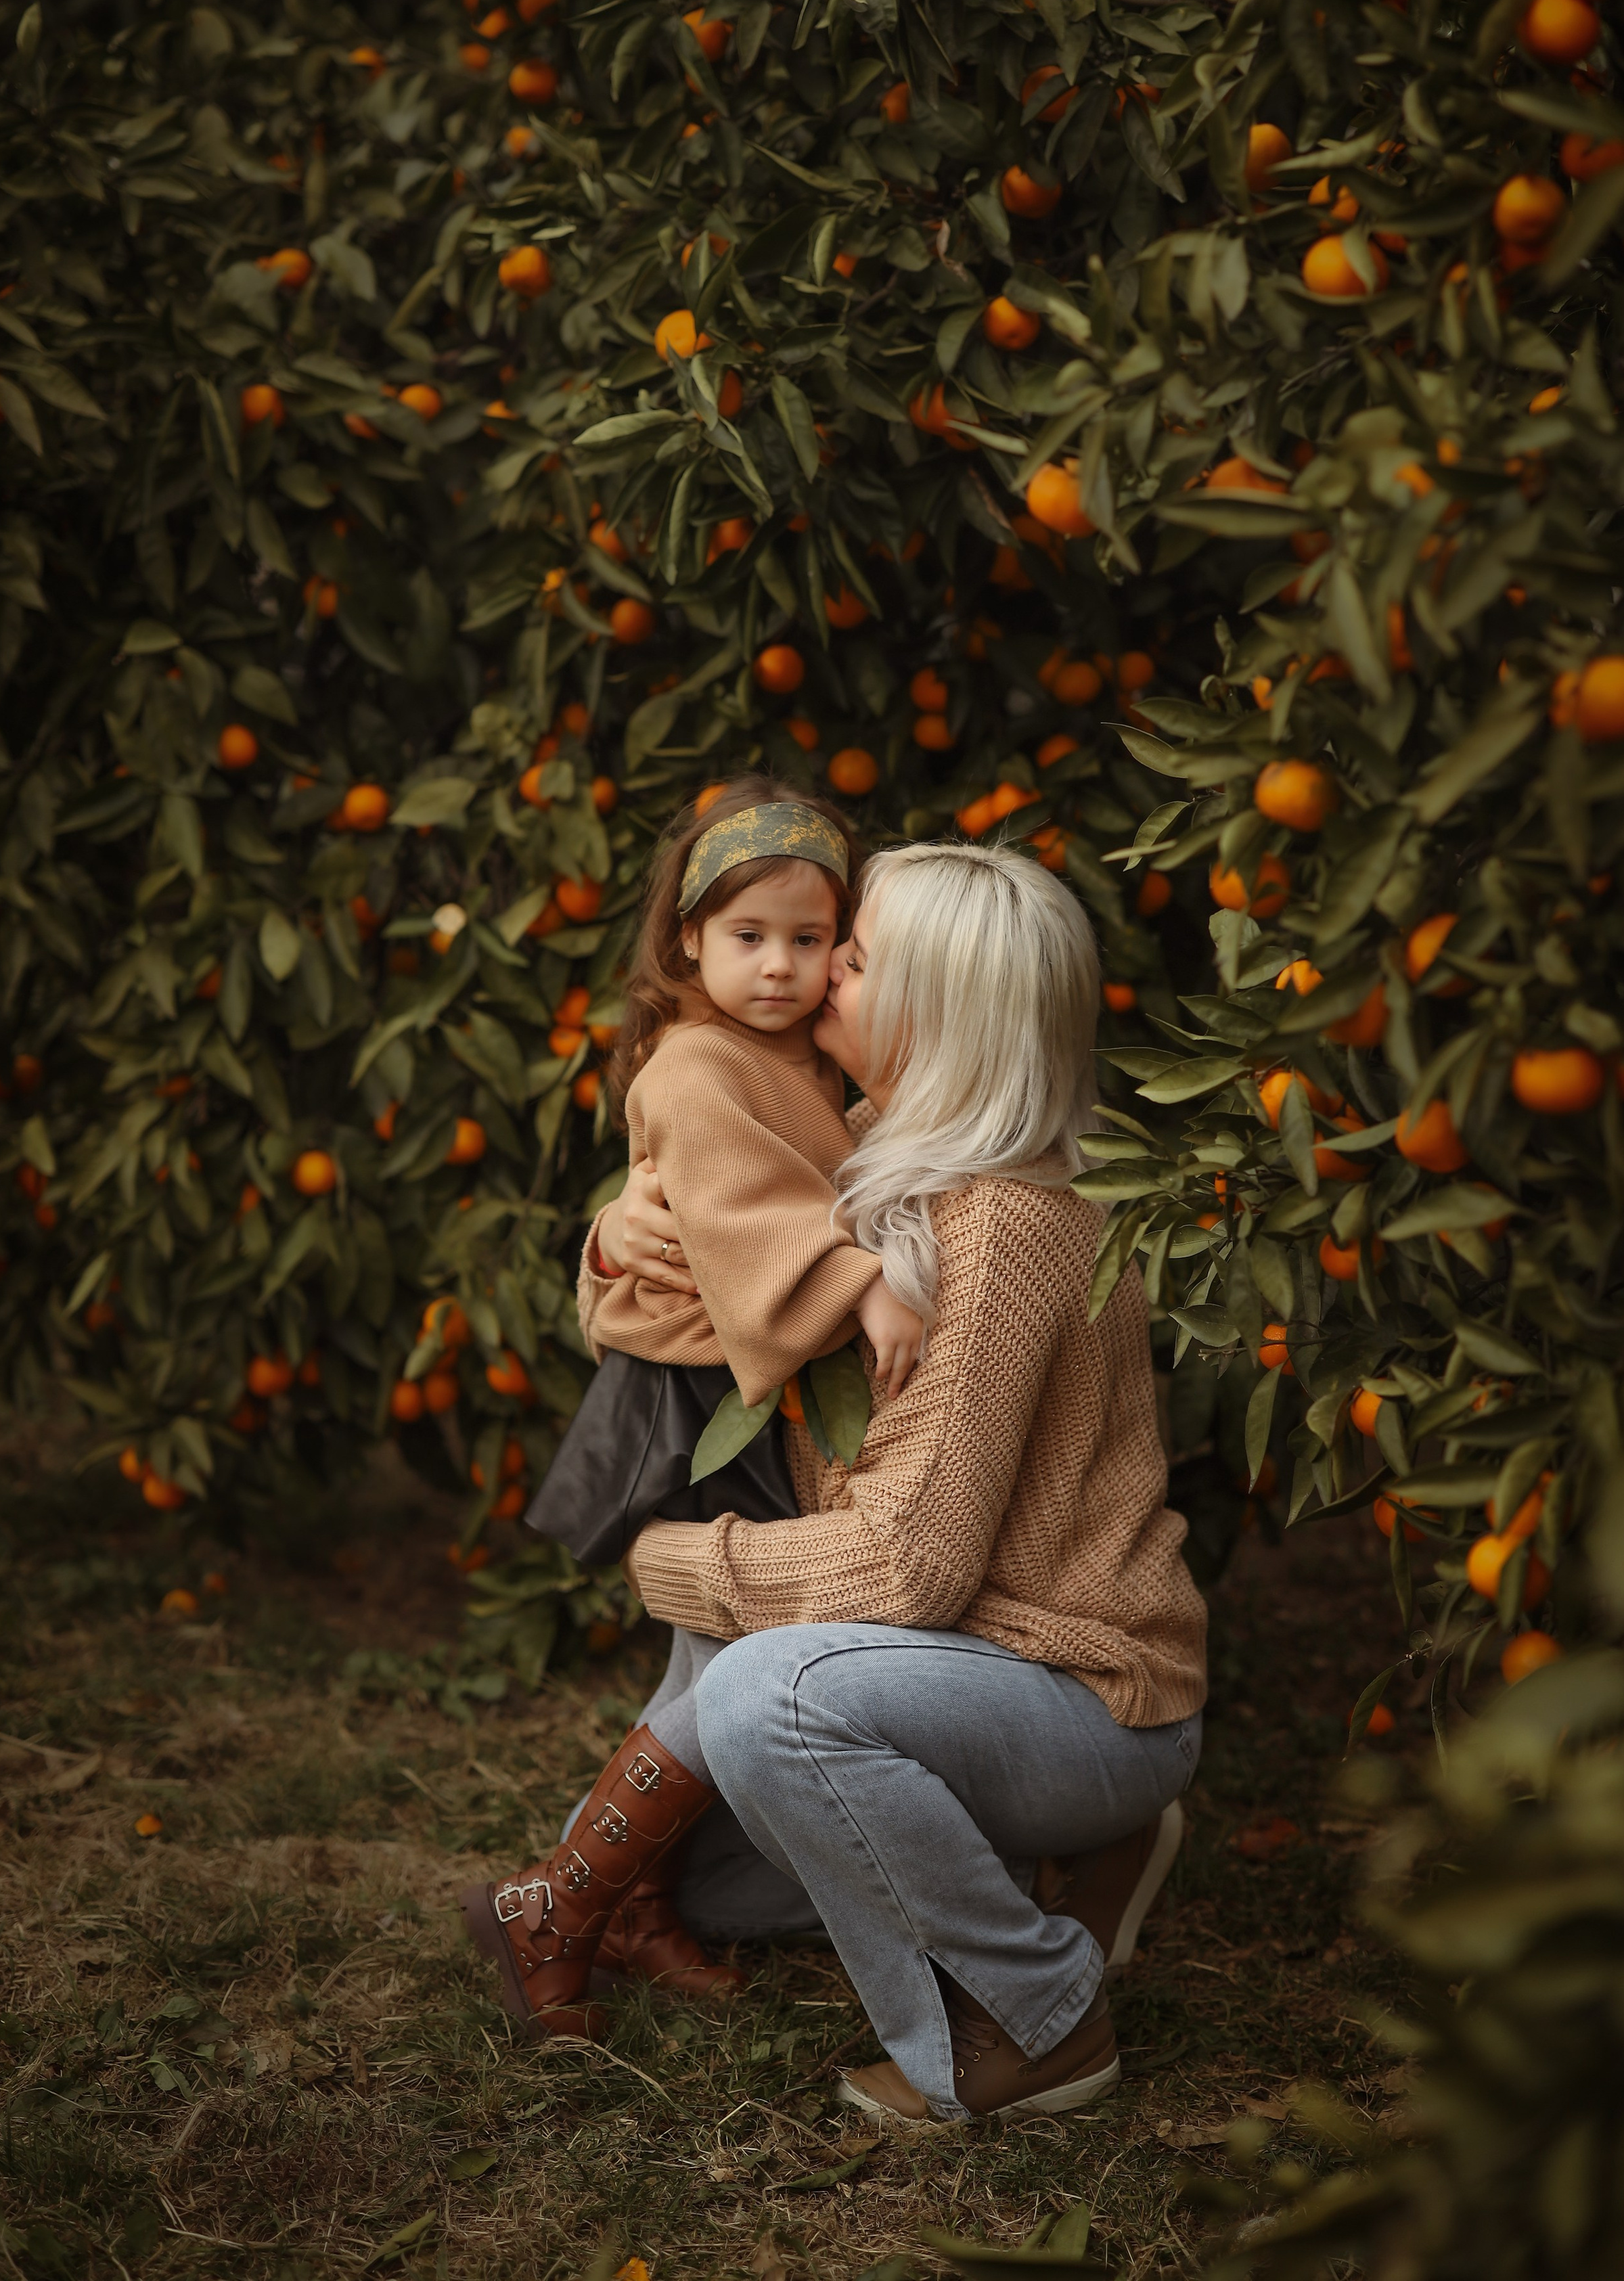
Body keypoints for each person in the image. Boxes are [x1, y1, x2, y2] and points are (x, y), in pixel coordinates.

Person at [465, 843, 1207, 2120]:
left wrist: (668, 1565)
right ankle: (1057, 1867)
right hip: (933, 1667)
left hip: (1067, 1680)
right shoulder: (865, 1148)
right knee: (707, 1886)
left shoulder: (1009, 1218)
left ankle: (1041, 2020)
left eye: (852, 961)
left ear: (935, 1013)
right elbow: (702, 1273)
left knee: (764, 1699)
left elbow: (907, 1569)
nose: (817, 981)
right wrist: (616, 1240)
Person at [463, 777, 923, 2028]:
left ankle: (620, 1901)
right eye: (747, 937)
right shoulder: (699, 1062)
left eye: (809, 939)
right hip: (695, 1395)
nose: (779, 967)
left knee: (718, 1659)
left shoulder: (795, 1050)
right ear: (686, 942)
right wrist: (861, 1281)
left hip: (742, 1384)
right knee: (726, 1660)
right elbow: (744, 1214)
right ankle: (562, 1902)